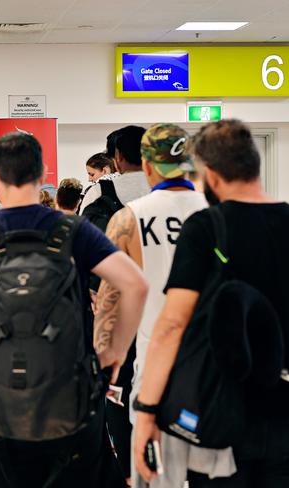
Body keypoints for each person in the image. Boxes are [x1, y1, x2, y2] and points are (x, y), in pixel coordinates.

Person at [0, 132, 148, 487]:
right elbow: (135, 285)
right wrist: (112, 354)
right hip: (69, 401)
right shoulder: (74, 231)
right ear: (42, 173)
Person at [133, 119, 289, 487]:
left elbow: (172, 325)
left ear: (211, 174)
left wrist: (146, 413)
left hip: (225, 413)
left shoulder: (207, 227)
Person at [94, 124, 209, 488]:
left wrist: (105, 364)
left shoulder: (128, 220)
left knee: (155, 474)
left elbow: (108, 305)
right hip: (215, 370)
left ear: (146, 167)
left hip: (154, 372)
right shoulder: (218, 212)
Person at [81, 125, 149, 482]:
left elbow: (82, 254)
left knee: (117, 398)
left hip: (116, 317)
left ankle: (124, 471)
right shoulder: (170, 195)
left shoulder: (99, 193)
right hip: (167, 315)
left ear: (116, 158)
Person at [80, 126, 150, 216]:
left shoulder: (98, 191)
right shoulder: (164, 190)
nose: (89, 179)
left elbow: (83, 227)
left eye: (91, 174)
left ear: (118, 157)